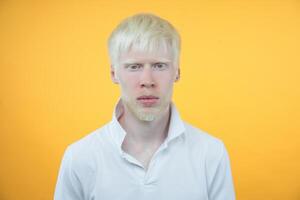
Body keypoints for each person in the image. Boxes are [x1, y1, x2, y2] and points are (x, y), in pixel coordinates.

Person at [54, 13, 236, 200]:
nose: (147, 81)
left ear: (177, 72)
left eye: (159, 66)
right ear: (114, 74)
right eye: (134, 67)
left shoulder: (210, 153)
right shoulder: (79, 157)